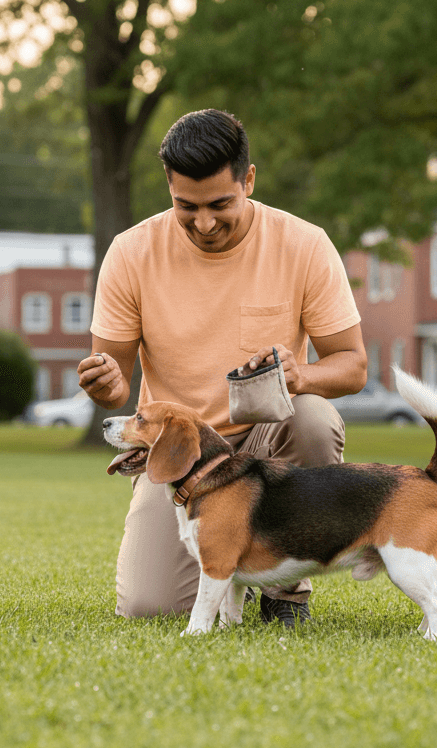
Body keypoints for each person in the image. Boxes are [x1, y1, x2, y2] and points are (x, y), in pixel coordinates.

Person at [77, 109, 366, 627]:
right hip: (180, 453)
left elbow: (352, 366)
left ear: (248, 180)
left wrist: (301, 376)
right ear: (168, 186)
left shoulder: (304, 244)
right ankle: (238, 566)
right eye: (185, 206)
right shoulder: (130, 252)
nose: (204, 224)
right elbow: (115, 381)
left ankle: (283, 588)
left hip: (266, 446)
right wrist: (107, 385)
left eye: (220, 205)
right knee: (151, 607)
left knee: (313, 420)